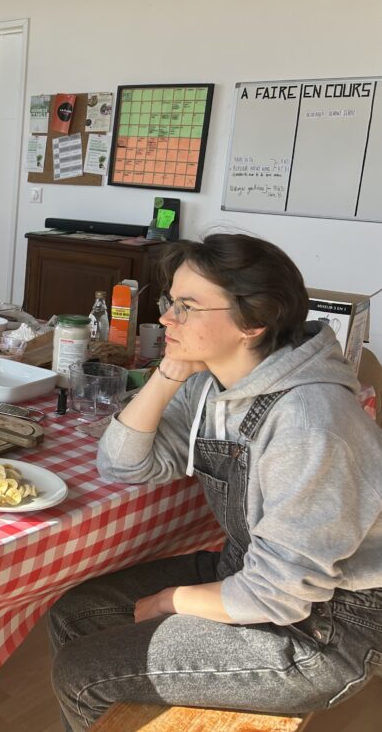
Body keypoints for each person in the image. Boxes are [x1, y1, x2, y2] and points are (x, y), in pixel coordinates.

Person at [49, 233, 382, 731]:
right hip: (250, 575)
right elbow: (122, 465)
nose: (165, 319)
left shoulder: (311, 423)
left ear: (252, 322)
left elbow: (281, 596)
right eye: (170, 302)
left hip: (325, 628)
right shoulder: (213, 383)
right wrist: (168, 372)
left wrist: (172, 599)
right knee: (77, 611)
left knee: (82, 672)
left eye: (185, 307)